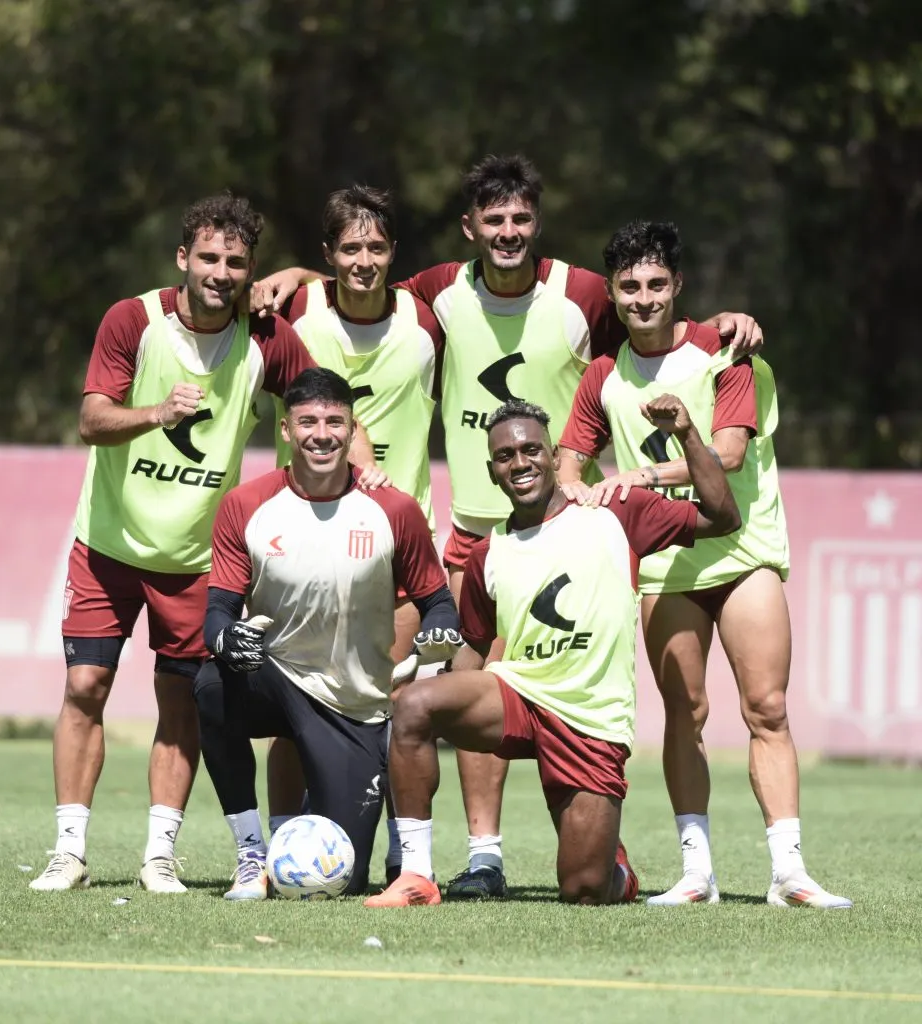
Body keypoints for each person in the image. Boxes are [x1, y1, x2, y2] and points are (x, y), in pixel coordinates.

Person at [255, 154, 763, 899]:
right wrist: (300, 275)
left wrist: (721, 325)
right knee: (456, 682)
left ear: (538, 224)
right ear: (470, 228)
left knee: (584, 880)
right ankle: (473, 858)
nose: (508, 232)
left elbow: (651, 309)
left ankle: (594, 835)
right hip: (474, 532)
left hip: (565, 521)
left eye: (521, 218)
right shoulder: (440, 293)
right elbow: (364, 280)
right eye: (493, 220)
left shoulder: (582, 293)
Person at [30, 192, 356, 894]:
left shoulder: (266, 337)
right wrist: (155, 412)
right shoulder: (133, 320)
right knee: (85, 686)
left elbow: (321, 406)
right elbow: (91, 419)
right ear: (183, 258)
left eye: (236, 262)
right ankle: (68, 850)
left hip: (196, 561)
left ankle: (158, 857)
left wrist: (360, 472)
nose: (221, 271)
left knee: (180, 704)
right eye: (208, 257)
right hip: (109, 545)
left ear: (250, 271)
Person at [558, 221, 850, 909]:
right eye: (629, 287)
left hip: (743, 552)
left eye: (657, 284)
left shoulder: (725, 352)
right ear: (614, 294)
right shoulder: (603, 374)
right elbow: (570, 461)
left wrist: (638, 475)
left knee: (767, 707)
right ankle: (697, 873)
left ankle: (789, 872)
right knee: (684, 713)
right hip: (666, 565)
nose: (643, 297)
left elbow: (726, 455)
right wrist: (577, 488)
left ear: (678, 288)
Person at [365, 394, 741, 907]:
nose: (520, 463)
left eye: (531, 450)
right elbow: (474, 651)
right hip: (519, 694)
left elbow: (722, 516)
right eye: (505, 457)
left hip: (590, 717)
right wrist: (432, 672)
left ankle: (616, 868)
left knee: (585, 890)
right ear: (492, 471)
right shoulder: (486, 553)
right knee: (413, 705)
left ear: (552, 455)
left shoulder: (616, 512)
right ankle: (414, 875)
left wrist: (688, 433)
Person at [192, 367, 461, 899]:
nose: (322, 433)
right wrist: (225, 638)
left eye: (335, 421)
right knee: (210, 685)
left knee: (347, 878)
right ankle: (250, 855)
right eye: (308, 421)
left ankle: (345, 840)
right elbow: (218, 611)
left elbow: (439, 606)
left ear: (352, 428)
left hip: (353, 706)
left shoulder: (394, 510)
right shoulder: (246, 506)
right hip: (279, 676)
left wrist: (435, 643)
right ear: (287, 431)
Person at [263, 186, 446, 881]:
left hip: (397, 541)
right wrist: (295, 280)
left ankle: (409, 853)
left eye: (375, 248)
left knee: (397, 706)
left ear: (393, 254)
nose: (363, 261)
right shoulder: (295, 310)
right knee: (292, 703)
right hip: (306, 537)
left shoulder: (426, 319)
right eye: (349, 249)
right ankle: (283, 847)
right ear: (327, 255)